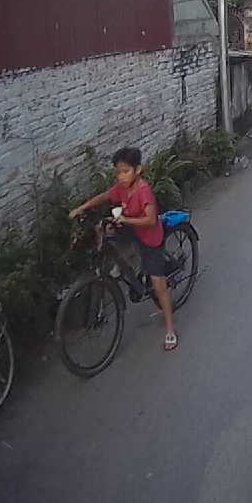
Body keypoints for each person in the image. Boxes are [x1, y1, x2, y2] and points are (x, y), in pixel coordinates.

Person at [69, 148, 179, 351]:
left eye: (126, 171)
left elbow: (150, 220)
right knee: (107, 230)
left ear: (138, 170)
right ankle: (124, 265)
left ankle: (170, 329)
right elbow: (105, 196)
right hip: (133, 230)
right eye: (118, 172)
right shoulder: (122, 188)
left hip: (149, 238)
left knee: (158, 285)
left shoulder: (143, 190)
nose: (121, 176)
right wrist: (83, 207)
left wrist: (126, 219)